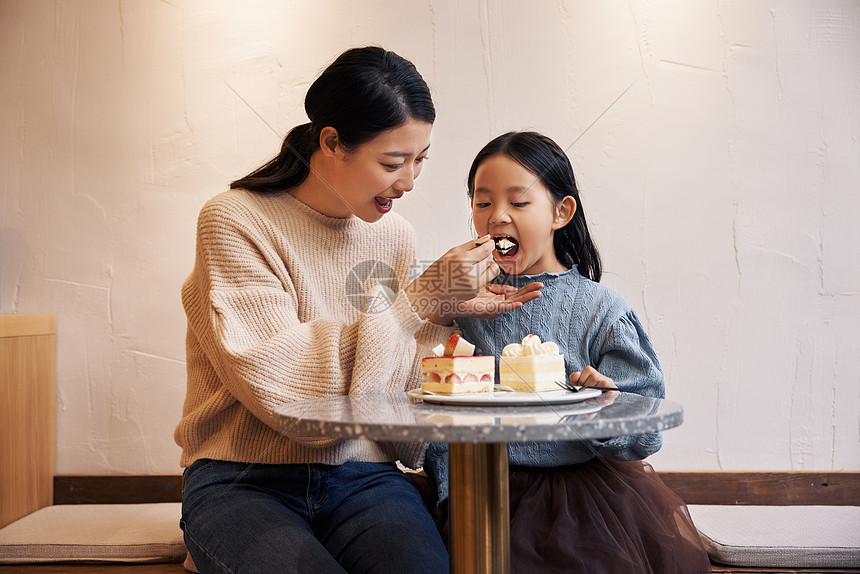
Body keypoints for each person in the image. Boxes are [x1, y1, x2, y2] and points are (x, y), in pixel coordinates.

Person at [174, 48, 541, 574]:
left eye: (420, 160)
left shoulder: (392, 235)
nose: (409, 182)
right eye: (392, 163)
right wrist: (416, 301)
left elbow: (392, 408)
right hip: (242, 478)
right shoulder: (234, 222)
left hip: (364, 477)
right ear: (331, 142)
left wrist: (439, 319)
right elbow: (286, 395)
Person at [422, 131, 711, 573]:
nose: (496, 216)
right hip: (473, 488)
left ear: (561, 212)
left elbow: (646, 433)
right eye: (482, 203)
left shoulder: (601, 310)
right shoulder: (461, 303)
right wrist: (440, 300)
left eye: (518, 203)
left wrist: (605, 403)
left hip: (577, 502)